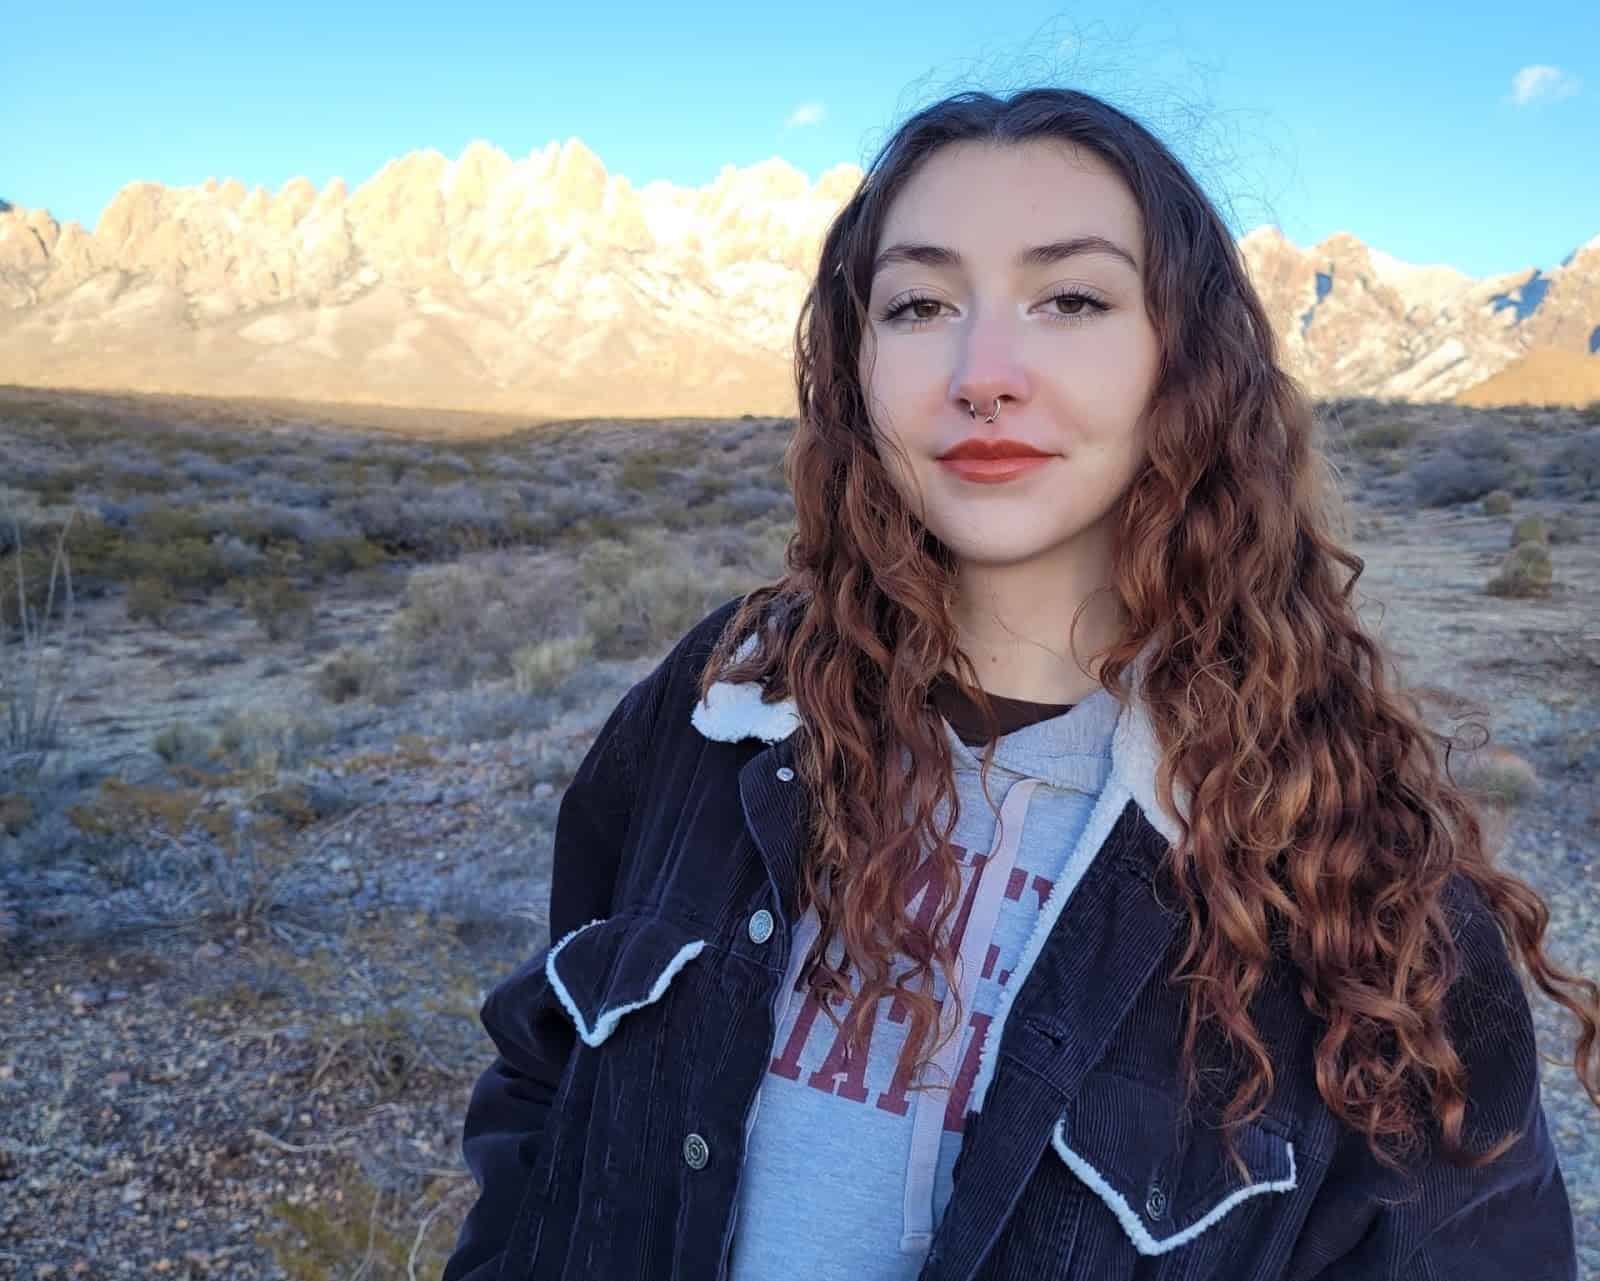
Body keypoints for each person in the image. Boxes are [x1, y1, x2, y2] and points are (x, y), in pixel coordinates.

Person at [441, 87, 1597, 1281]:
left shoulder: (1355, 873)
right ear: (856, 366)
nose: (981, 372)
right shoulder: (722, 707)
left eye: (1073, 299)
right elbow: (546, 1082)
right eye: (920, 304)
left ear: (1184, 364)